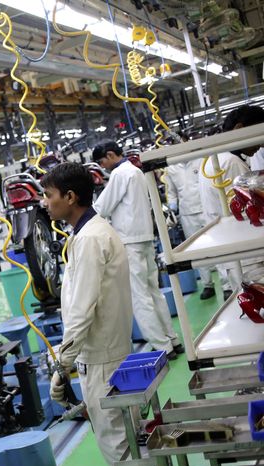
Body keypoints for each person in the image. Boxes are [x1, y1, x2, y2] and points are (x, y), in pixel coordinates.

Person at [43, 163, 173, 466]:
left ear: (70, 197)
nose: (45, 203)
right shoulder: (95, 232)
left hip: (100, 357)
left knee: (118, 445)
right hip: (110, 351)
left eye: (49, 195)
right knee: (129, 439)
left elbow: (82, 310)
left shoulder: (88, 241)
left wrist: (62, 362)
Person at [92, 141, 183, 359]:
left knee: (139, 296)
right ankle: (172, 339)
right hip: (144, 237)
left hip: (129, 241)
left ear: (111, 155)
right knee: (153, 290)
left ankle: (162, 347)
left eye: (101, 161)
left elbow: (102, 207)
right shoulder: (136, 171)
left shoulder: (120, 174)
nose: (102, 166)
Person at [199, 105, 264, 296]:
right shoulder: (231, 163)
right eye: (258, 134)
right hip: (250, 257)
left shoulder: (217, 159)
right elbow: (250, 211)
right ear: (239, 129)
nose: (260, 144)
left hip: (234, 254)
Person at [164, 156, 218, 299]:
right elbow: (171, 192)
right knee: (196, 250)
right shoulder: (171, 168)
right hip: (187, 212)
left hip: (206, 208)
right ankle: (208, 285)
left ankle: (227, 285)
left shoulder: (201, 160)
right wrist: (172, 207)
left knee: (217, 246)